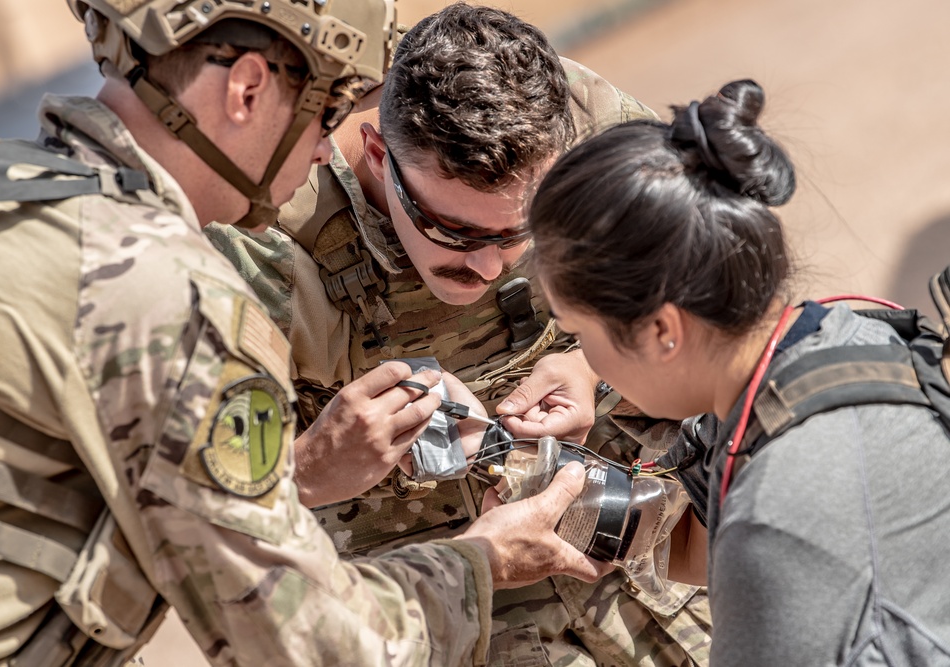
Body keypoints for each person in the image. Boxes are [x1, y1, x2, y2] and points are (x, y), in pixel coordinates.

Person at [0, 1, 611, 664]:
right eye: (326, 111)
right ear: (247, 89)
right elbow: (317, 645)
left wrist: (299, 475)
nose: (330, 146)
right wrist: (483, 558)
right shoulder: (169, 297)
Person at [208, 4, 712, 665]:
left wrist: (596, 365)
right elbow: (188, 508)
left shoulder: (592, 128)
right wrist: (312, 469)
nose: (488, 264)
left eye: (520, 231)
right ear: (379, 154)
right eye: (455, 231)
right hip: (445, 613)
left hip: (644, 556)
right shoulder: (267, 249)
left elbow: (714, 284)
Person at [528, 78, 950, 665]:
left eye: (577, 333)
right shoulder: (847, 339)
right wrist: (525, 475)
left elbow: (760, 539)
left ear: (662, 331)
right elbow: (705, 544)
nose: (582, 361)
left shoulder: (778, 512)